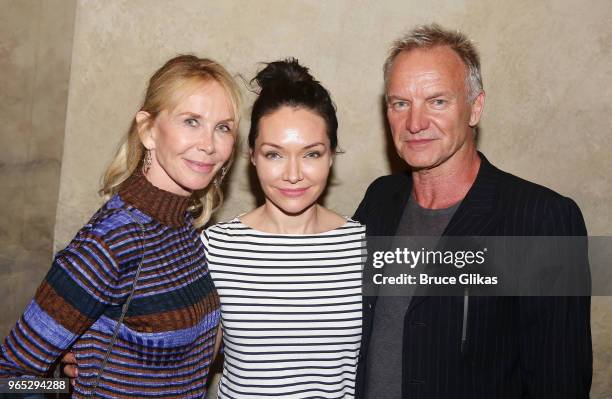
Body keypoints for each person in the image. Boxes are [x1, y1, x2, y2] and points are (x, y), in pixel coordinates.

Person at [353, 24, 592, 398]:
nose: (415, 123)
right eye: (401, 103)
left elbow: (558, 381)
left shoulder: (541, 220)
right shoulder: (379, 200)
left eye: (437, 101)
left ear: (475, 107)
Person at [0, 54, 240, 398]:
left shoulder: (182, 228)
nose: (209, 144)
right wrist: (66, 386)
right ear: (148, 130)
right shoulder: (113, 240)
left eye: (223, 127)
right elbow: (11, 375)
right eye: (191, 121)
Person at [201, 59, 365, 398]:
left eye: (311, 154)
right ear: (252, 156)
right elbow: (184, 362)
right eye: (275, 155)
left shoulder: (365, 247)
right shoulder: (215, 248)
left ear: (331, 155)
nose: (293, 174)